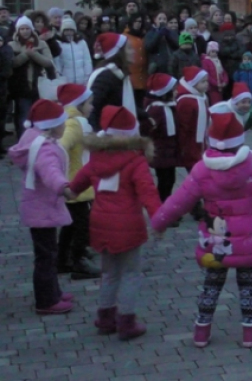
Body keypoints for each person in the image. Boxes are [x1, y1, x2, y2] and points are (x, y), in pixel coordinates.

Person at [151, 112, 252, 348]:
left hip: (216, 239)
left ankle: (201, 331)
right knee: (248, 284)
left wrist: (159, 223)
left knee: (212, 283)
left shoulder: (201, 170)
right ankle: (250, 333)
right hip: (248, 239)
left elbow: (179, 201)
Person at [69, 106, 162, 339]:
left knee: (109, 273)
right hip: (129, 226)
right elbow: (148, 194)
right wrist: (160, 219)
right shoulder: (136, 161)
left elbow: (74, 188)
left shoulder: (95, 160)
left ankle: (105, 318)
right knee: (130, 273)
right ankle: (127, 322)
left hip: (100, 224)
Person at [8, 99, 76, 314]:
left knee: (48, 253)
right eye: (62, 122)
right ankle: (46, 301)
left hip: (39, 208)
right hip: (43, 210)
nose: (65, 125)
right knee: (46, 256)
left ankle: (53, 292)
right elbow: (51, 172)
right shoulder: (44, 148)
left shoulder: (33, 137)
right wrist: (65, 188)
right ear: (53, 125)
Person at [55, 84, 100, 280]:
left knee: (70, 225)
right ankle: (78, 260)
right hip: (76, 184)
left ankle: (62, 259)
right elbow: (61, 146)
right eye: (89, 103)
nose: (92, 107)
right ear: (79, 104)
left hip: (74, 183)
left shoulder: (72, 121)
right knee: (83, 225)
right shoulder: (75, 123)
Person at [9, 16, 55, 137]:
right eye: (22, 28)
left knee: (40, 115)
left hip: (39, 86)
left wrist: (33, 54)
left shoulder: (41, 44)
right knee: (24, 116)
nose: (25, 31)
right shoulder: (12, 45)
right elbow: (12, 63)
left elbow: (49, 62)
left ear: (32, 29)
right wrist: (25, 55)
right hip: (21, 87)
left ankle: (41, 140)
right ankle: (24, 141)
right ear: (18, 30)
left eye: (27, 28)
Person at [144, 74, 180, 208]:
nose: (177, 92)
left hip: (169, 151)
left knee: (170, 180)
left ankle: (166, 205)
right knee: (165, 181)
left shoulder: (170, 106)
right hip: (161, 152)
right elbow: (148, 128)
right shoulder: (156, 110)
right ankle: (162, 207)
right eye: (174, 89)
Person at [176, 67, 210, 174]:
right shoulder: (186, 101)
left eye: (207, 81)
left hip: (200, 142)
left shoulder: (202, 97)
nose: (206, 84)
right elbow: (183, 125)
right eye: (203, 82)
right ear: (193, 83)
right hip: (190, 143)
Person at [55, 16, 93, 86]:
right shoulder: (58, 43)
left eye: (71, 30)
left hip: (82, 79)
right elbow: (58, 62)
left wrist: (87, 75)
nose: (69, 32)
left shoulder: (81, 42)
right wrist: (59, 76)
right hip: (66, 79)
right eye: (66, 30)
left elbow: (87, 60)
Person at [122, 15, 148, 107]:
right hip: (131, 76)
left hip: (143, 77)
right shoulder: (124, 37)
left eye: (140, 22)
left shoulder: (144, 36)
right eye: (136, 21)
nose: (138, 24)